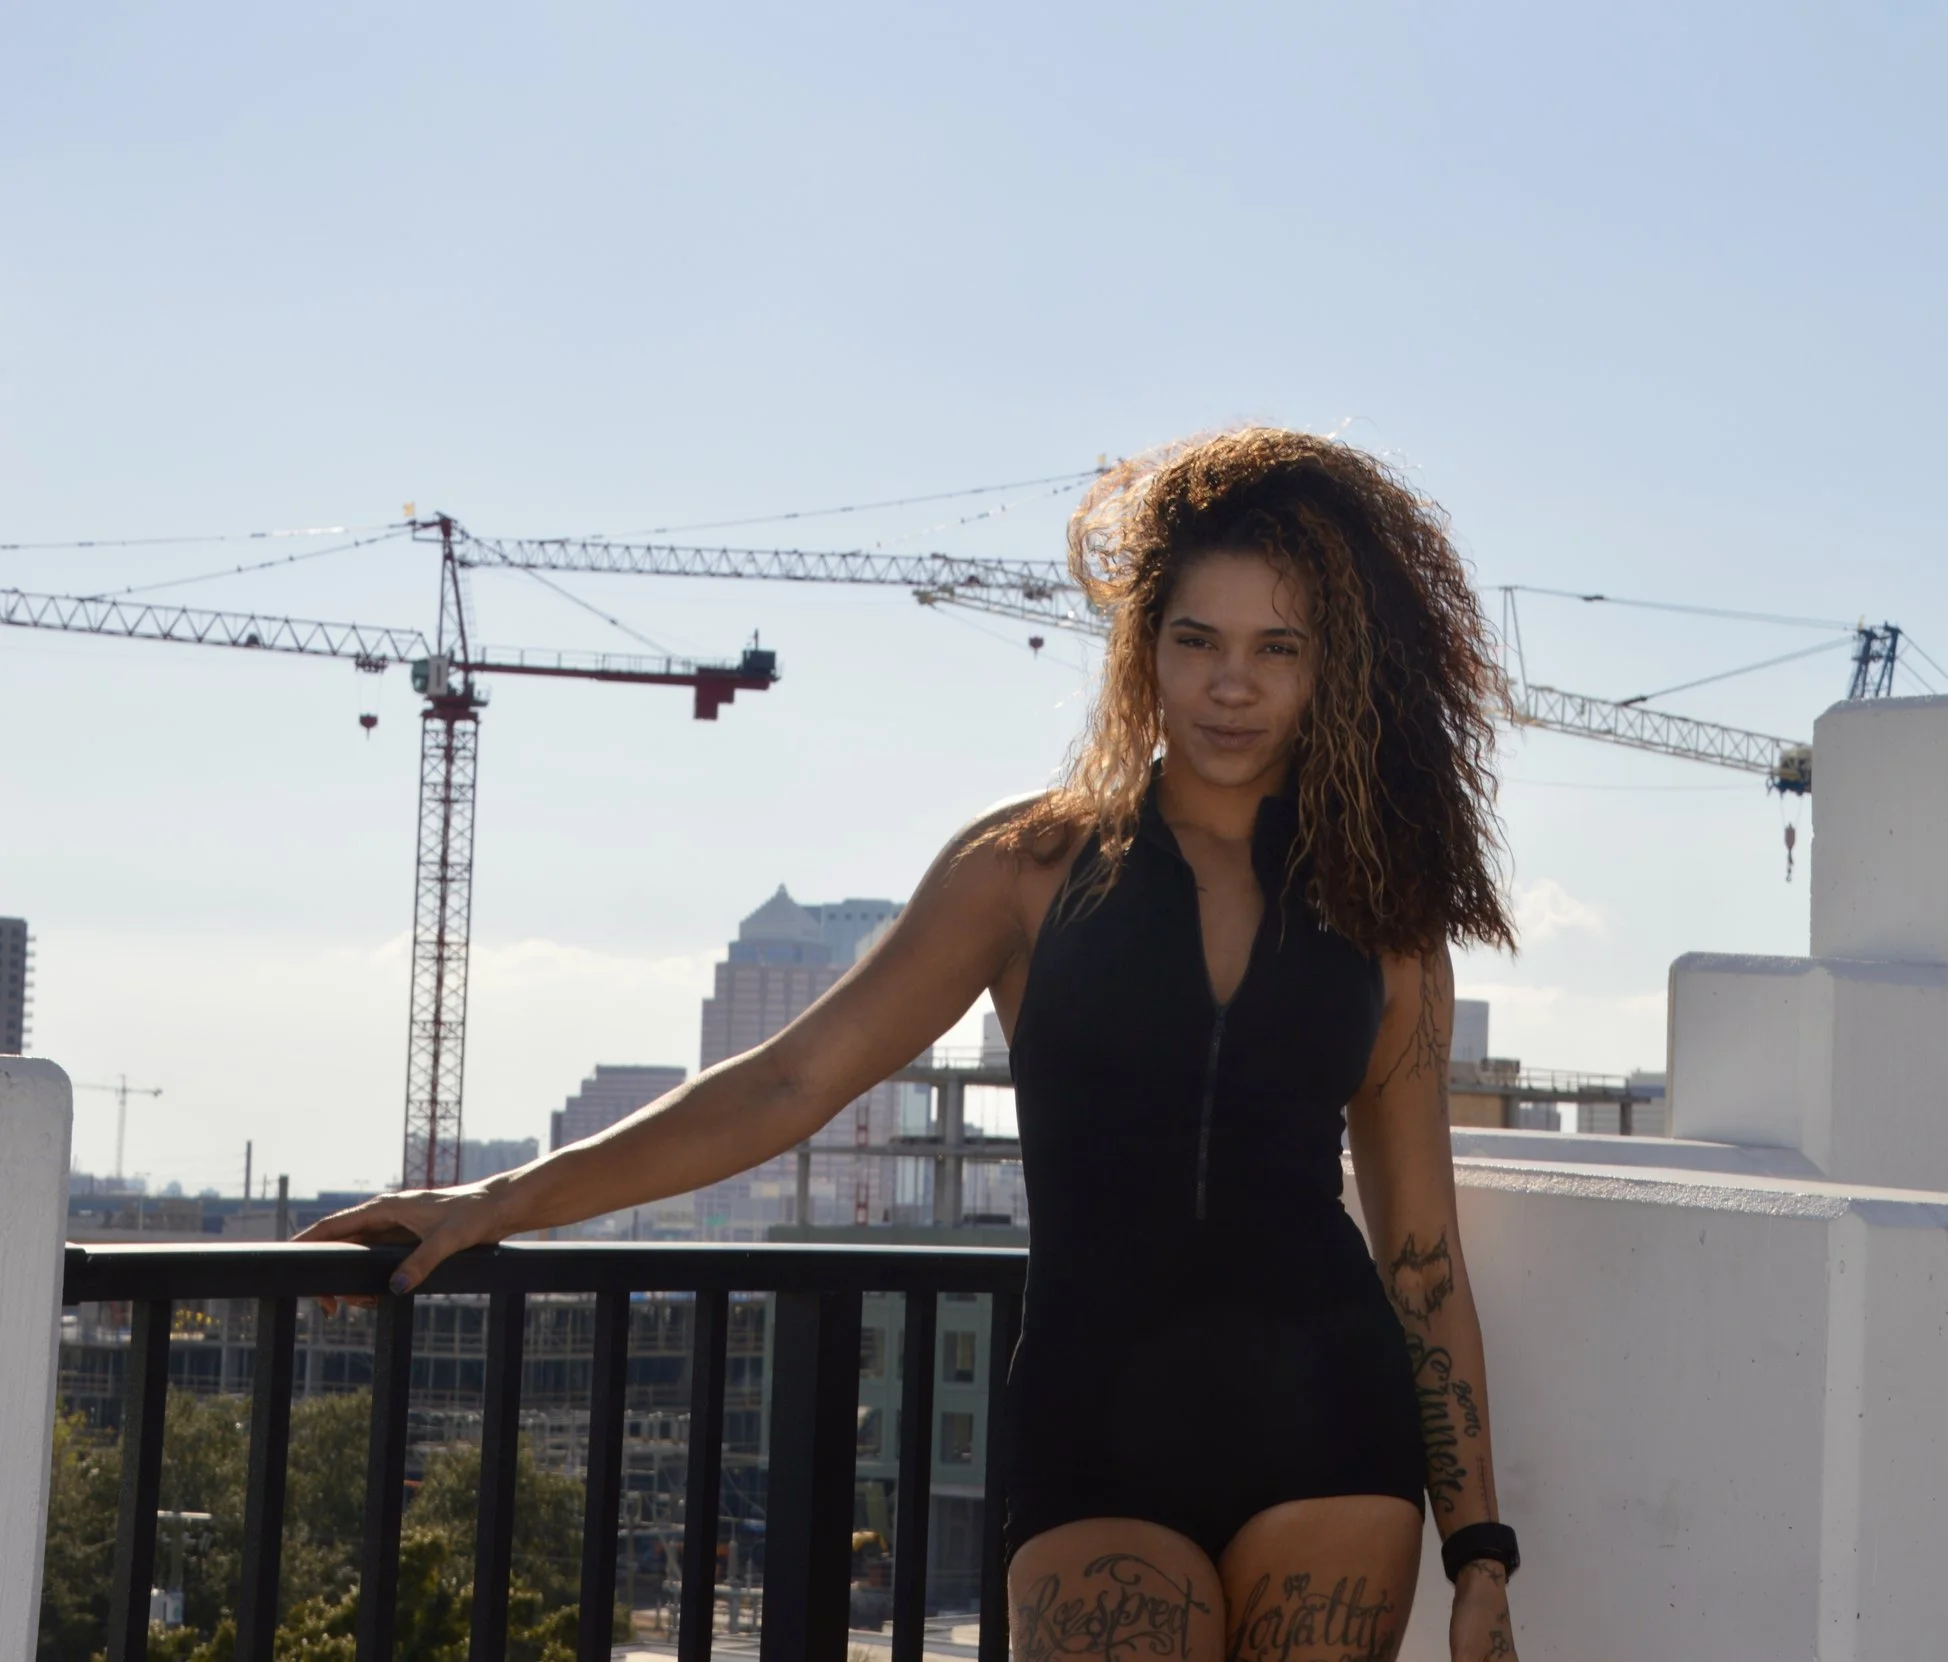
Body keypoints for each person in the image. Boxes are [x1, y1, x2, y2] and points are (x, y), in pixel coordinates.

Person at [306, 428, 1524, 1661]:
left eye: (1279, 650)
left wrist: (1480, 1552)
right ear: (1142, 649)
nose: (1229, 686)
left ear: (1335, 670)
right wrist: (504, 1198)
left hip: (1331, 1436)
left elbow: (1422, 1260)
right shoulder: (1026, 871)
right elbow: (789, 1081)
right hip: (1096, 1438)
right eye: (1195, 641)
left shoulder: (1386, 916)